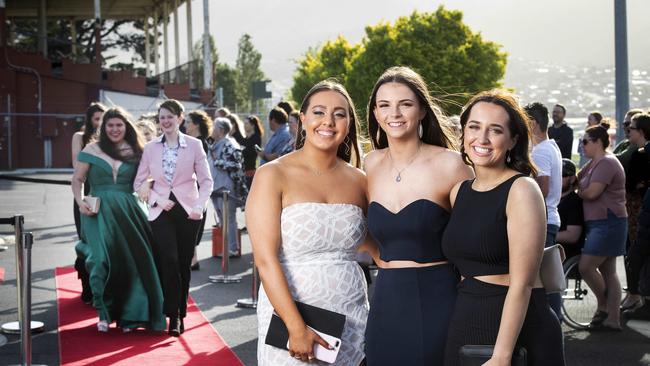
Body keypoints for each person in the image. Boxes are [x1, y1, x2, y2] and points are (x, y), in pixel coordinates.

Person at [249, 80, 374, 365]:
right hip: (291, 318)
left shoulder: (361, 180)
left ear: (349, 123)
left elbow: (374, 244)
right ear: (302, 119)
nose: (328, 121)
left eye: (339, 114)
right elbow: (265, 259)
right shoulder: (272, 175)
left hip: (351, 315)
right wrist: (295, 326)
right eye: (319, 112)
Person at [442, 90, 565, 366]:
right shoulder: (458, 192)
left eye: (495, 130)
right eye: (474, 127)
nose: (481, 139)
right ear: (463, 134)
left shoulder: (522, 189)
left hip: (514, 326)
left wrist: (501, 355)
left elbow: (521, 284)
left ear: (513, 141)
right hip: (465, 316)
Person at [363, 66, 473, 365]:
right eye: (384, 105)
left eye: (405, 104)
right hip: (386, 298)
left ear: (422, 110)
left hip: (439, 296)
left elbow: (475, 237)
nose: (394, 113)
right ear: (375, 113)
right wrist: (380, 258)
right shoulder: (369, 164)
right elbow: (359, 228)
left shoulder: (450, 164)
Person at [72, 107, 165, 333]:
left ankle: (130, 317)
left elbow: (155, 174)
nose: (114, 129)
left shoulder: (138, 150)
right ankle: (104, 312)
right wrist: (80, 200)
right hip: (98, 212)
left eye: (119, 125)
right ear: (103, 127)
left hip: (130, 211)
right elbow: (77, 178)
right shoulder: (92, 149)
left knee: (131, 262)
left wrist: (147, 182)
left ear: (126, 127)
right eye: (110, 125)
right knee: (99, 260)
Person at [134, 99, 213, 337]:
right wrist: (157, 199)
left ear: (180, 118)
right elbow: (139, 182)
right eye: (162, 117)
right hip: (161, 212)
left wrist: (199, 206)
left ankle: (180, 311)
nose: (165, 121)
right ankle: (173, 316)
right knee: (168, 259)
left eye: (170, 116)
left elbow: (207, 181)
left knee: (182, 264)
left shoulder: (194, 145)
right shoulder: (151, 148)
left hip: (189, 211)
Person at [577, 121, 628, 331]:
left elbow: (591, 193)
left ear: (597, 142)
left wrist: (578, 191)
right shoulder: (595, 163)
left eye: (585, 142)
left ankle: (605, 307)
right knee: (608, 271)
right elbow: (579, 179)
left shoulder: (607, 163)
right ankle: (612, 318)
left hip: (608, 221)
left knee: (586, 267)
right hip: (602, 222)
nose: (582, 145)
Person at [525, 102, 564, 320]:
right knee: (548, 277)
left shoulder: (540, 151)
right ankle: (551, 322)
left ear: (532, 123)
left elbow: (543, 187)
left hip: (543, 219)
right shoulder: (552, 146)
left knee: (545, 279)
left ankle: (550, 324)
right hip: (551, 217)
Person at [71, 101, 106, 304]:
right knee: (87, 242)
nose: (101, 123)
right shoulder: (80, 137)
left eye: (104, 118)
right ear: (90, 120)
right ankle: (87, 286)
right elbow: (77, 165)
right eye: (97, 119)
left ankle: (103, 288)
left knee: (105, 244)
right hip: (87, 194)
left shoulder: (111, 140)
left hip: (107, 195)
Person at [621, 113, 650, 311]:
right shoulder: (638, 151)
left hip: (642, 211)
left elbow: (631, 183)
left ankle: (638, 296)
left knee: (636, 254)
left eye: (630, 127)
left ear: (641, 131)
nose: (626, 130)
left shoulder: (642, 154)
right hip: (640, 208)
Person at [208, 117, 248, 257]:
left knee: (228, 218)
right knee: (222, 219)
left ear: (220, 130)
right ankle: (227, 249)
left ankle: (233, 249)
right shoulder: (215, 144)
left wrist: (218, 162)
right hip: (216, 188)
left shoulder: (230, 144)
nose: (211, 130)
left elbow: (236, 165)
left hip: (226, 188)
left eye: (214, 127)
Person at [185, 110, 214, 270]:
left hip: (196, 188)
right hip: (194, 187)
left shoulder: (199, 143)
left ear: (196, 124)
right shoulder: (196, 141)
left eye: (188, 122)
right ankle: (193, 258)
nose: (185, 125)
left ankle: (193, 259)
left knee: (193, 222)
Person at [556, 159, 585, 260]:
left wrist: (544, 235)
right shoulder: (550, 199)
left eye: (562, 175)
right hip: (549, 249)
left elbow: (572, 236)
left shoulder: (575, 202)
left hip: (563, 253)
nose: (557, 178)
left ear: (572, 179)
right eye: (555, 173)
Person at [242, 115, 264, 188]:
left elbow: (250, 151)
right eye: (244, 124)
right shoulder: (246, 138)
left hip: (250, 171)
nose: (244, 126)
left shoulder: (256, 138)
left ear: (253, 125)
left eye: (246, 124)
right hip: (244, 171)